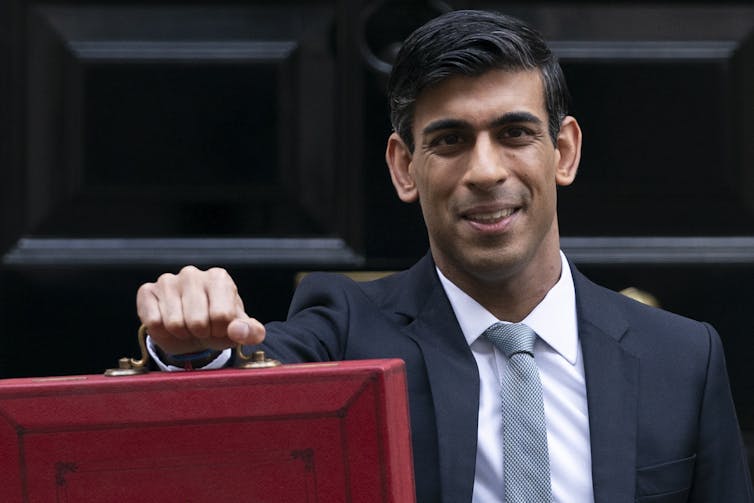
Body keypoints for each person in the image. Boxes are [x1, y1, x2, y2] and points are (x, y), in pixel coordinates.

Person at [136, 9, 753, 502]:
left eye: (514, 133)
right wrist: (195, 347)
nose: (484, 171)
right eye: (450, 140)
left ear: (563, 152)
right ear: (405, 168)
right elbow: (235, 405)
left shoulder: (682, 356)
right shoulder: (346, 329)